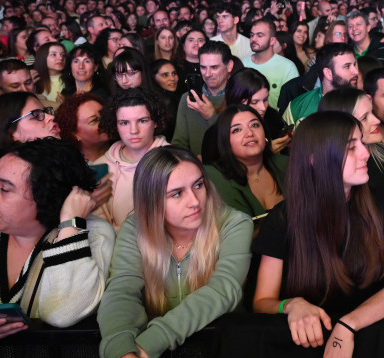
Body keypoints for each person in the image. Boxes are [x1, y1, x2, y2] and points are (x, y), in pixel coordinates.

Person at [250, 111, 384, 356]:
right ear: (315, 160)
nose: (365, 153)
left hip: (375, 337)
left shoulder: (382, 200)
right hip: (307, 342)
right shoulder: (283, 218)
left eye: (361, 142)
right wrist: (291, 305)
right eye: (351, 147)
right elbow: (262, 302)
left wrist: (348, 325)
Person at [98, 146, 253, 358]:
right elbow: (122, 288)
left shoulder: (234, 223)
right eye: (177, 193)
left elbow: (224, 289)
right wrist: (122, 351)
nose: (195, 201)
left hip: (220, 348)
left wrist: (150, 343)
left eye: (199, 185)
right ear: (151, 201)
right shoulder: (135, 227)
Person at [0, 138, 115, 341]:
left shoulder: (95, 234)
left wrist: (71, 225)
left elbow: (62, 313)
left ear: (46, 196)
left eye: (5, 189)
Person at [319, 87, 384, 237]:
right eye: (364, 117)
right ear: (342, 126)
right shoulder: (324, 171)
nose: (377, 120)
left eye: (372, 112)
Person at [92, 89, 170, 231]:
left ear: (156, 122)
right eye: (124, 123)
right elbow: (98, 228)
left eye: (142, 121)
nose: (134, 130)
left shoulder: (174, 162)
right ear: (115, 124)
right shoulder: (100, 167)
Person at [204, 104, 287, 218]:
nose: (249, 133)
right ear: (225, 141)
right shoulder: (214, 177)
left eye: (255, 125)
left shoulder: (287, 164)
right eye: (237, 130)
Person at [172, 41, 234, 156]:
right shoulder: (187, 98)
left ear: (229, 65)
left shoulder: (239, 96)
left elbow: (238, 142)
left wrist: (211, 116)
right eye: (203, 67)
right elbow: (179, 143)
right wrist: (192, 163)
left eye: (214, 67)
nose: (207, 74)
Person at [56, 93, 112, 162]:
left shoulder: (125, 146)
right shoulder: (73, 169)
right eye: (94, 120)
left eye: (104, 114)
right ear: (75, 134)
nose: (105, 121)